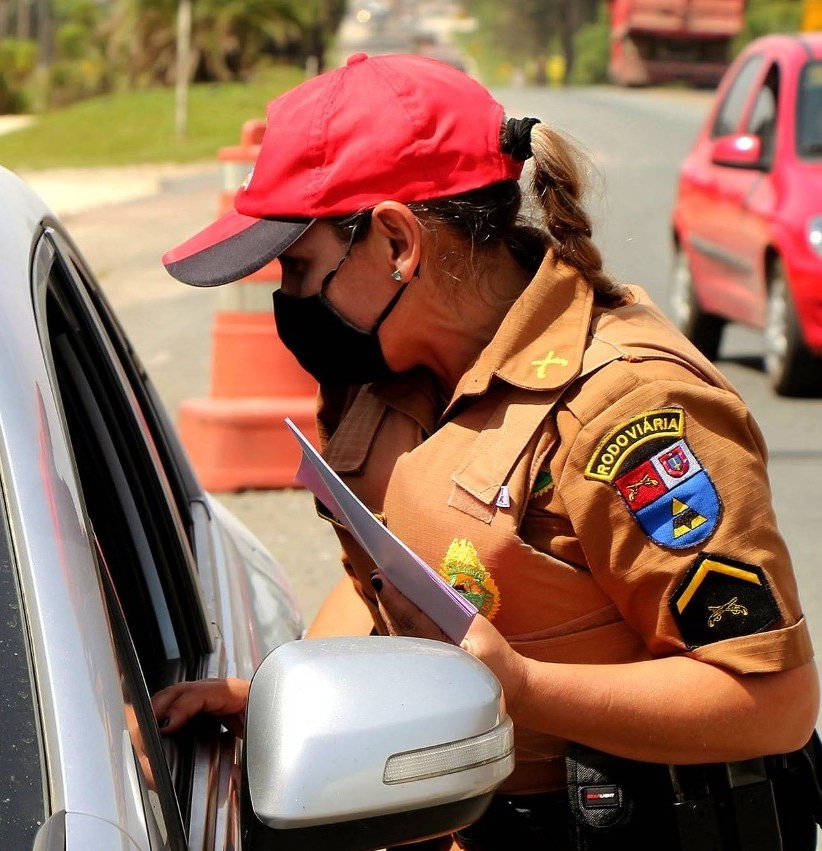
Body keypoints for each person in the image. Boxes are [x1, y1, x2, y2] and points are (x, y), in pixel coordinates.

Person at [155, 53, 820, 849]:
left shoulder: (627, 407)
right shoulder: (386, 375)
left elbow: (772, 701)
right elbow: (375, 588)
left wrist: (524, 687)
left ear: (397, 239)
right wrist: (283, 701)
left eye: (299, 268)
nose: (289, 301)